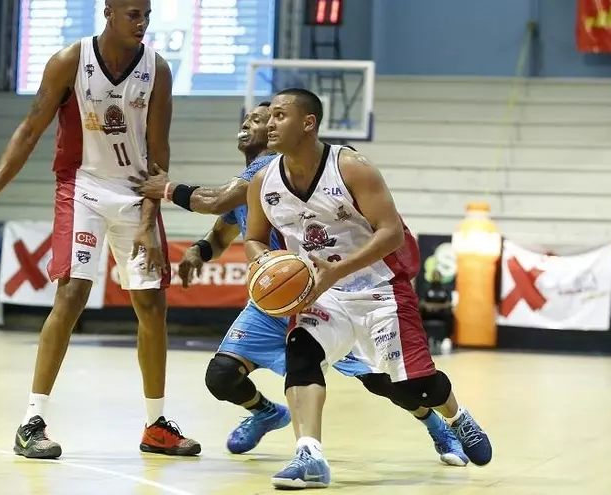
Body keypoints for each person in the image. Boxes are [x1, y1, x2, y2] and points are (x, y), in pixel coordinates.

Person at [131, 102, 470, 466]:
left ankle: (436, 423)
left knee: (387, 383)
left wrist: (164, 189)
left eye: (263, 119)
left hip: (319, 295)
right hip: (271, 301)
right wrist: (199, 251)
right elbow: (223, 231)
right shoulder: (252, 181)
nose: (250, 124)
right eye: (251, 118)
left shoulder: (268, 169)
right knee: (222, 375)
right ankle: (266, 413)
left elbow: (214, 201)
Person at [0, 0, 200, 459]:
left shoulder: (158, 69)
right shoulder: (70, 60)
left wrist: (149, 221)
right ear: (108, 12)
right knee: (71, 295)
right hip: (82, 186)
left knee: (152, 306)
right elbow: (30, 129)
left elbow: (159, 151)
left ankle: (155, 426)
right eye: (133, 13)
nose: (142, 22)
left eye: (147, 14)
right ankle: (32, 421)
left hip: (134, 194)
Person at [243, 88, 492, 489]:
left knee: (416, 386)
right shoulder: (262, 182)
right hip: (320, 292)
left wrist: (337, 272)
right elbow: (254, 237)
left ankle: (457, 416)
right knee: (301, 354)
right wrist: (266, 263)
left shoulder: (352, 168)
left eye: (279, 115)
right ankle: (310, 455)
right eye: (268, 116)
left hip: (379, 289)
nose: (269, 123)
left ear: (308, 122)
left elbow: (391, 234)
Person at [420, 268, 454, 355]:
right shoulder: (426, 288)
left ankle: (447, 338)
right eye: (434, 275)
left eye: (437, 275)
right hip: (429, 313)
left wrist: (435, 306)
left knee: (449, 314)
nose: (436, 277)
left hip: (441, 313)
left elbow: (448, 304)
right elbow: (422, 303)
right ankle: (422, 338)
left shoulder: (445, 289)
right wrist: (429, 306)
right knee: (419, 313)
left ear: (441, 277)